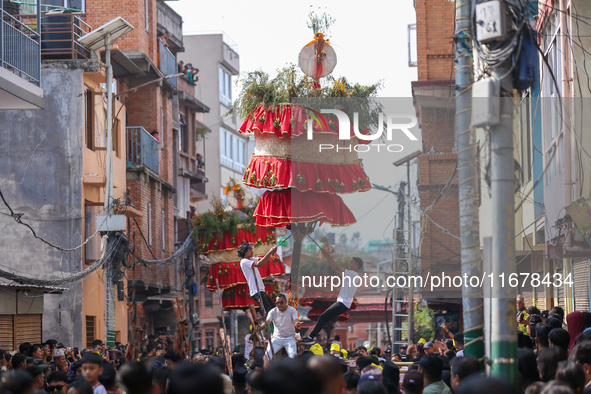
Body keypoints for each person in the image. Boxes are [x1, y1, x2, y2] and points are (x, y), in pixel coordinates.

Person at [301, 255, 363, 343]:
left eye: (351, 262)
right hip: (343, 304)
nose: (350, 264)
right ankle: (311, 337)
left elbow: (337, 267)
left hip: (342, 303)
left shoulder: (352, 274)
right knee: (324, 319)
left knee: (322, 317)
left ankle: (310, 337)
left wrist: (328, 256)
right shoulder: (353, 275)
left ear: (356, 265)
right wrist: (328, 257)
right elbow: (335, 268)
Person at [238, 243, 278, 316]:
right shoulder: (244, 261)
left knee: (274, 309)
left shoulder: (251, 259)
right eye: (250, 249)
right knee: (270, 312)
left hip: (261, 290)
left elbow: (262, 259)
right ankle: (271, 326)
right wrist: (269, 252)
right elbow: (259, 264)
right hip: (256, 291)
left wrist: (271, 252)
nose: (252, 251)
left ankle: (269, 323)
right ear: (245, 252)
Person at [257, 294, 301, 359]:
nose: (279, 304)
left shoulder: (292, 310)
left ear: (285, 302)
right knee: (266, 356)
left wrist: (297, 323)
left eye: (281, 302)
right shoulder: (272, 311)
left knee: (293, 357)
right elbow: (267, 322)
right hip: (276, 338)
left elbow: (296, 320)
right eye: (277, 302)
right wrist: (260, 326)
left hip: (289, 338)